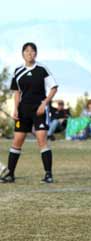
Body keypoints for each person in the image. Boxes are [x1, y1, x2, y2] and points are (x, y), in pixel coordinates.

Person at [0, 42, 58, 183]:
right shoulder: (18, 71)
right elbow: (17, 93)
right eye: (26, 51)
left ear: (36, 54)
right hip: (23, 110)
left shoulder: (42, 69)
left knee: (41, 141)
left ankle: (48, 174)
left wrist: (44, 104)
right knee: (17, 141)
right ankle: (10, 174)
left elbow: (54, 87)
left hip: (39, 110)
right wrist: (15, 109)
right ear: (22, 54)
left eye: (32, 51)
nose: (29, 53)